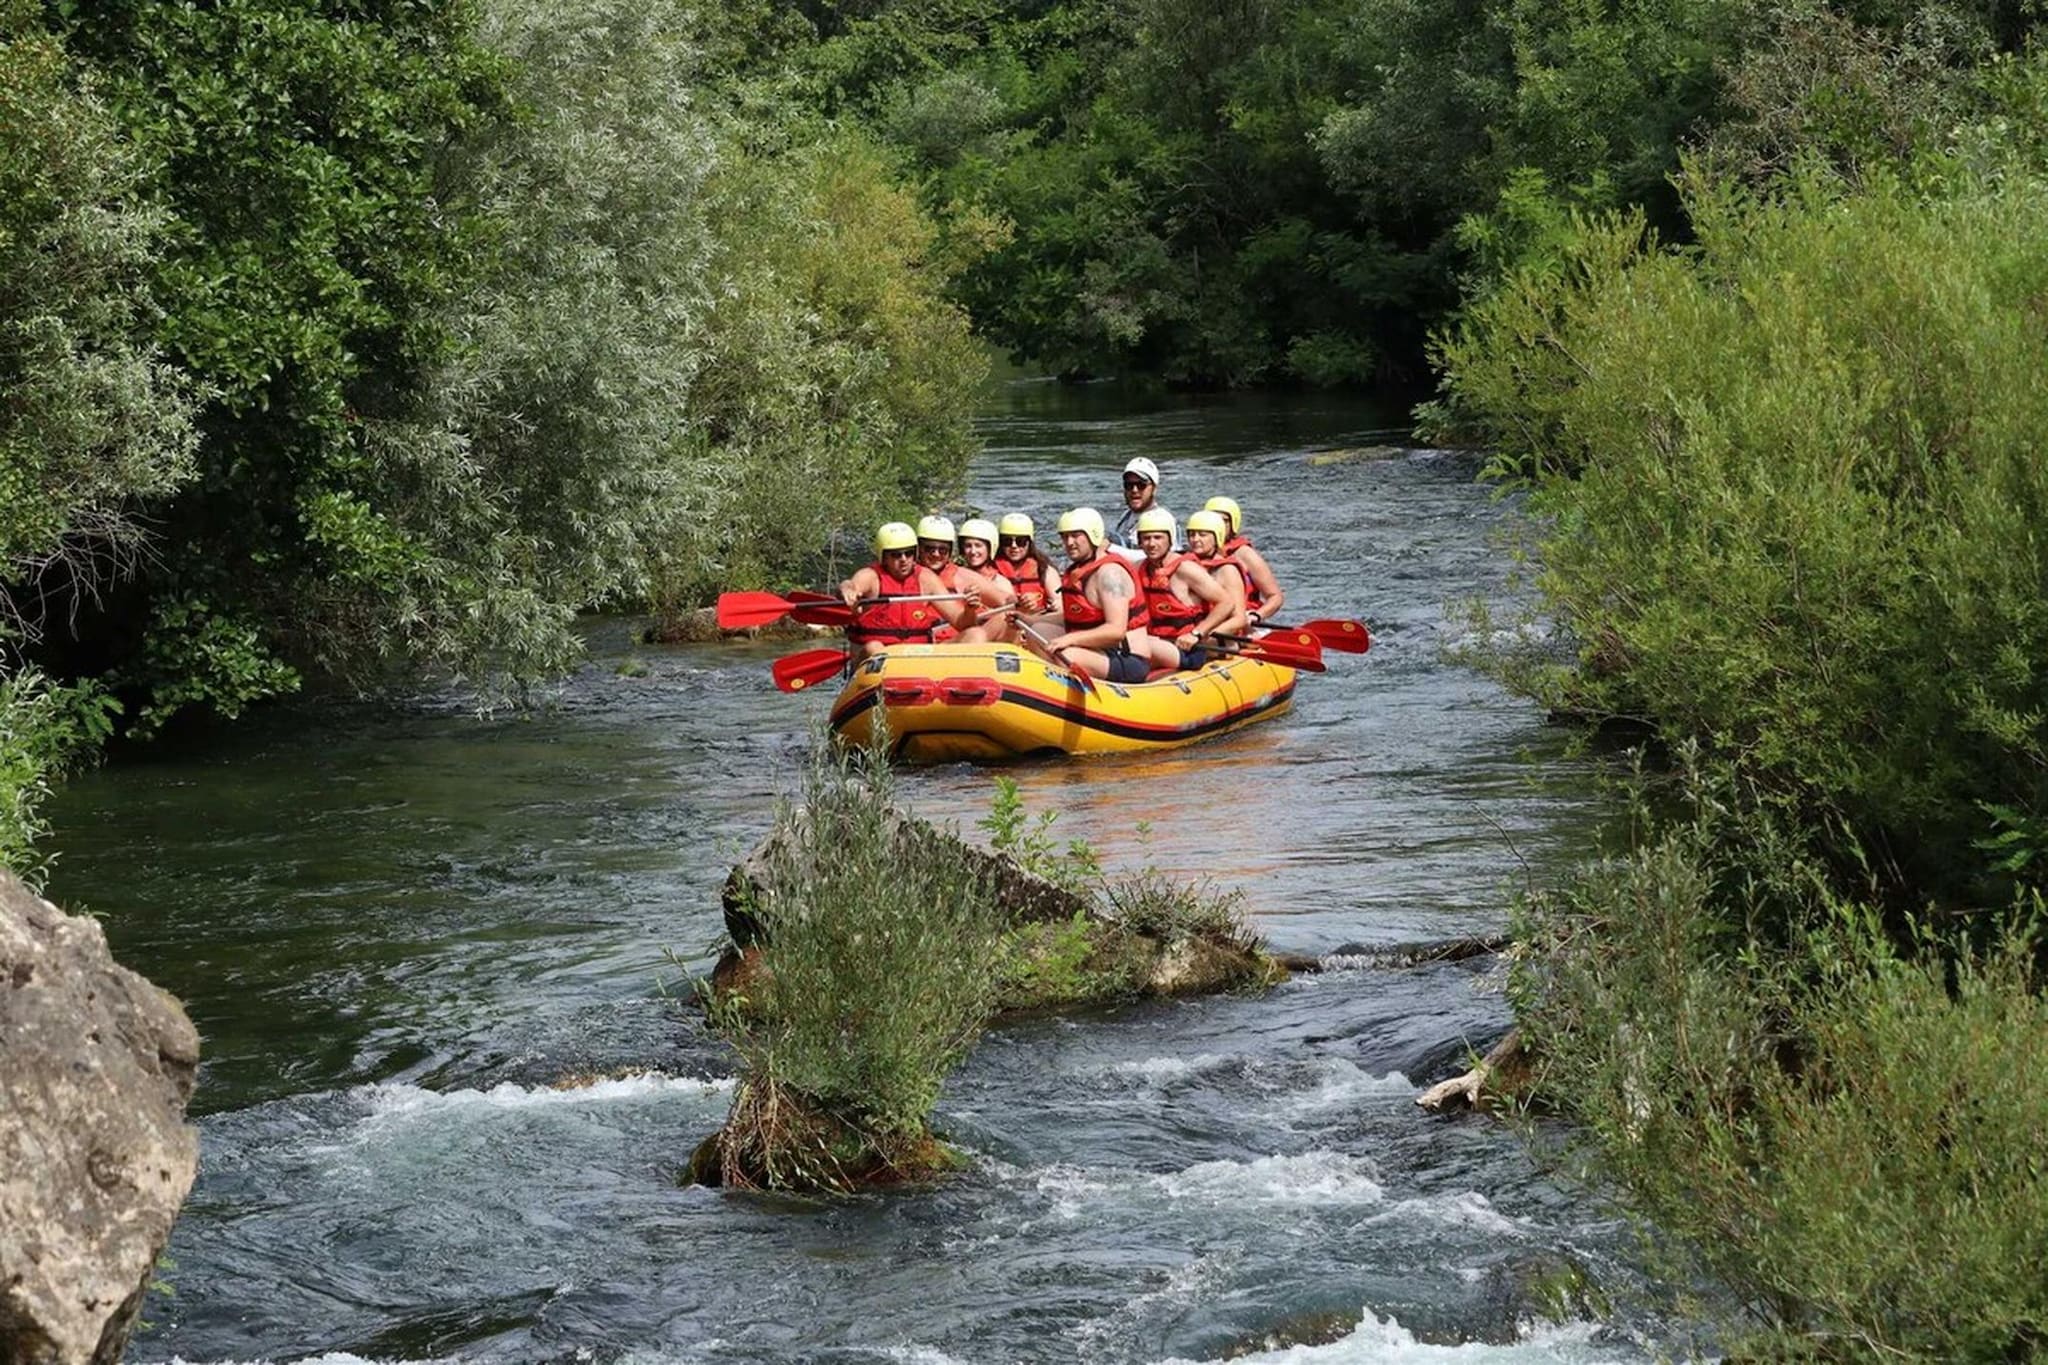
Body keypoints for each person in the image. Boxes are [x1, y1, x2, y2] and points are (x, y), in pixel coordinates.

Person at [838, 522, 980, 657]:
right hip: (876, 660)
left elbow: (963, 623)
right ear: (884, 557)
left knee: (975, 634)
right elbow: (852, 585)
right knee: (874, 647)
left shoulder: (926, 578)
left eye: (909, 553)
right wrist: (847, 589)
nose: (904, 559)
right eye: (896, 554)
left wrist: (969, 609)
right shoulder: (871, 576)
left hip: (917, 657)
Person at [1045, 508, 1153, 683]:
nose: (1069, 542)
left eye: (1076, 536)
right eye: (1065, 537)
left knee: (1067, 654)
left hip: (1127, 658)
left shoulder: (1110, 574)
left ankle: (1070, 697)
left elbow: (1116, 631)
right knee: (1039, 630)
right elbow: (1076, 618)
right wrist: (1026, 618)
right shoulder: (1079, 570)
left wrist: (1069, 639)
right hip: (1099, 651)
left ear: (1092, 535)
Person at [1132, 508, 1238, 671]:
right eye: (1146, 538)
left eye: (1158, 537)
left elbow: (1227, 602)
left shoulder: (1186, 569)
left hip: (1189, 649)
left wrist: (1196, 634)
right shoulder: (1138, 568)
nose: (1151, 544)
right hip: (1158, 642)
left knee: (1142, 644)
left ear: (1170, 539)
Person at [1202, 495, 1285, 625]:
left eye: (1224, 521)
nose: (1219, 525)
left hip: (1244, 622)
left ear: (1233, 524)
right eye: (1213, 520)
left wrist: (1256, 616)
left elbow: (1275, 597)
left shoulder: (1246, 554)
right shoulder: (1197, 552)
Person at [1183, 509, 1251, 640]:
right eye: (1192, 535)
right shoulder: (1186, 565)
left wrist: (1202, 634)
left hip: (1218, 638)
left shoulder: (1228, 570)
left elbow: (1239, 619)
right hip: (1190, 632)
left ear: (1217, 537)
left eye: (1202, 535)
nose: (1195, 539)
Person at [989, 513, 1060, 621]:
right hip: (1005, 622)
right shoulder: (992, 570)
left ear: (1029, 543)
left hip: (1038, 621)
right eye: (1007, 541)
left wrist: (1055, 605)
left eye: (1020, 541)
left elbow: (1059, 600)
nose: (1014, 546)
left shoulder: (1044, 570)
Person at [1111, 457, 1172, 558]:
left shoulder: (1163, 519)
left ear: (1154, 489)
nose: (1134, 490)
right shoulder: (1126, 516)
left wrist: (1109, 548)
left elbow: (1153, 557)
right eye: (1129, 485)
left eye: (1141, 485)